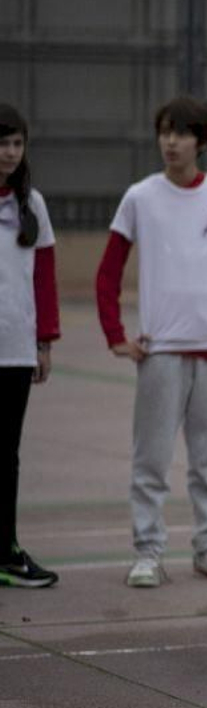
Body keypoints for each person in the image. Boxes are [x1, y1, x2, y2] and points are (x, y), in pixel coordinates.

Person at [96, 95, 207, 587]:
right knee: (150, 460)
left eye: (182, 133)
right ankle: (148, 552)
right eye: (165, 132)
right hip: (160, 353)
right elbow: (108, 274)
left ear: (202, 141)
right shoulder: (139, 198)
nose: (171, 142)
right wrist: (116, 336)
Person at [0, 105, 61, 587]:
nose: (10, 153)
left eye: (17, 144)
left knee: (7, 454)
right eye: (3, 143)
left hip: (16, 349)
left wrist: (44, 343)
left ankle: (7, 550)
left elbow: (44, 277)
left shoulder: (31, 204)